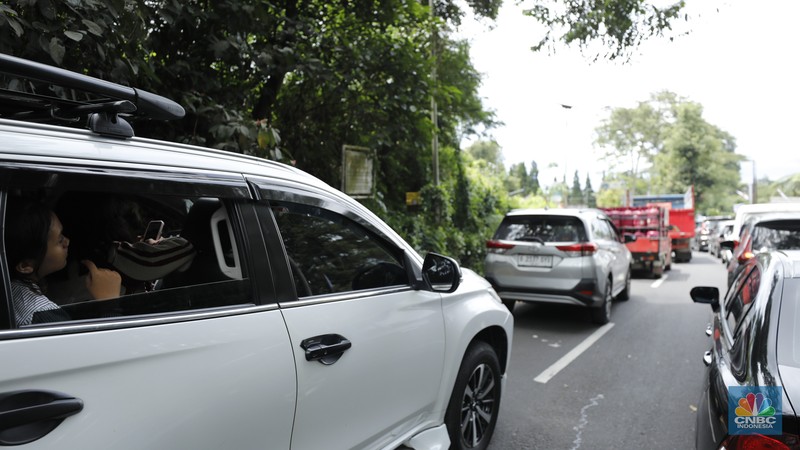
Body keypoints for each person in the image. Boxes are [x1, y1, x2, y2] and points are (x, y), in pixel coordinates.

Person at [5, 198, 122, 326]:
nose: (67, 241)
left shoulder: (10, 288)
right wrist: (110, 304)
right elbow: (107, 345)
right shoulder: (43, 316)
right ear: (25, 265)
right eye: (60, 240)